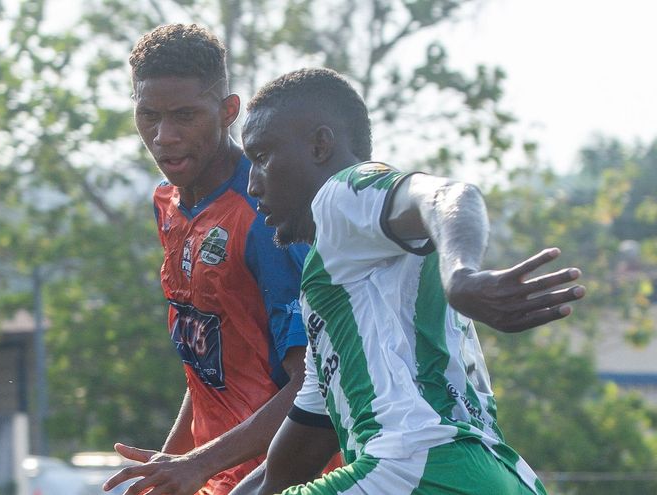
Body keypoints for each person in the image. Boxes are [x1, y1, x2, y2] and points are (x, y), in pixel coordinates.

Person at [230, 68, 586, 495]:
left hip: (417, 469)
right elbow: (281, 472)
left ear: (320, 145)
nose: (252, 184)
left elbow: (450, 195)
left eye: (262, 156)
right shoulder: (343, 316)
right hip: (502, 477)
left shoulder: (340, 195)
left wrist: (462, 275)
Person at [103, 25, 338, 495]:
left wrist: (198, 463)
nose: (164, 137)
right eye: (148, 116)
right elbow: (214, 368)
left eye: (184, 116)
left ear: (228, 111)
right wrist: (171, 466)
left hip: (285, 480)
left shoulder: (267, 213)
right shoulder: (168, 204)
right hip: (214, 477)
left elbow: (317, 384)